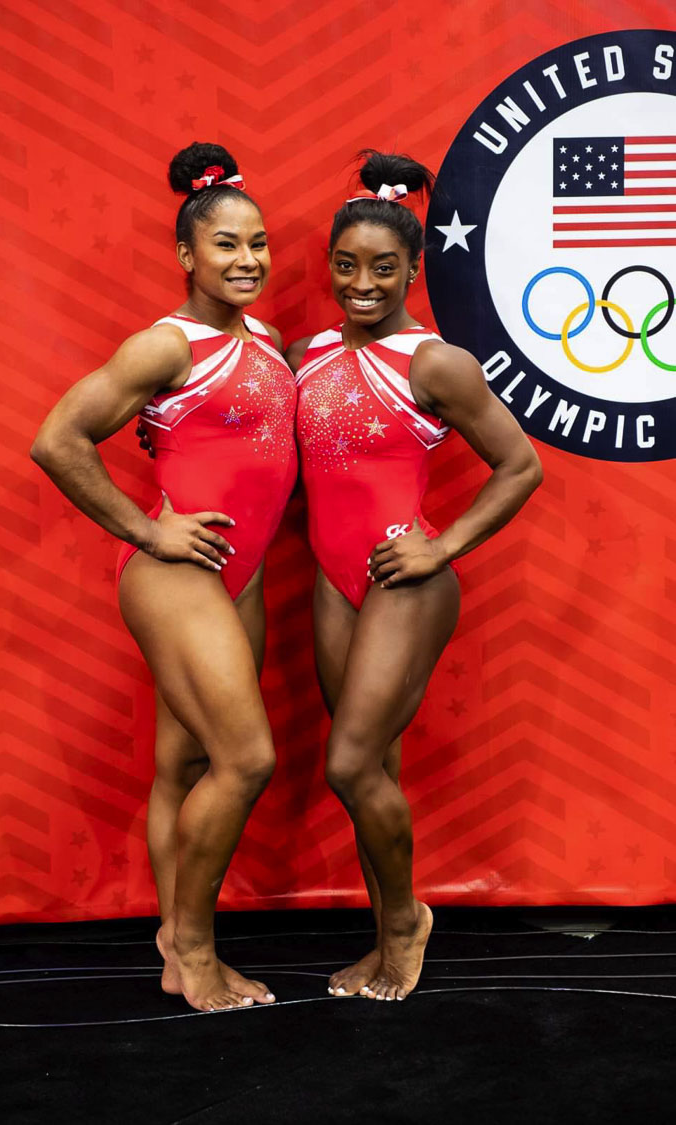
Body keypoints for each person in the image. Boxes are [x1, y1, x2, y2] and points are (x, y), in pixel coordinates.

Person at [30, 143, 298, 1012]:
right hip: (177, 570)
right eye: (226, 244)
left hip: (244, 574)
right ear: (187, 254)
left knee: (182, 762)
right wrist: (149, 528)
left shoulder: (267, 338)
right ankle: (194, 948)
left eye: (257, 243)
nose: (247, 259)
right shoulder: (162, 346)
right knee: (247, 756)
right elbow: (57, 439)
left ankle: (170, 939)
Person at [286, 150, 543, 1002]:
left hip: (404, 578)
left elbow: (519, 466)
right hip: (333, 580)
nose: (363, 283)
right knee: (375, 773)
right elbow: (242, 420)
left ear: (413, 267)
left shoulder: (435, 363)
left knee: (349, 765)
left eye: (384, 267)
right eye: (347, 265)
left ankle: (406, 923)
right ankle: (382, 930)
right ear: (329, 264)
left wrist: (444, 544)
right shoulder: (307, 352)